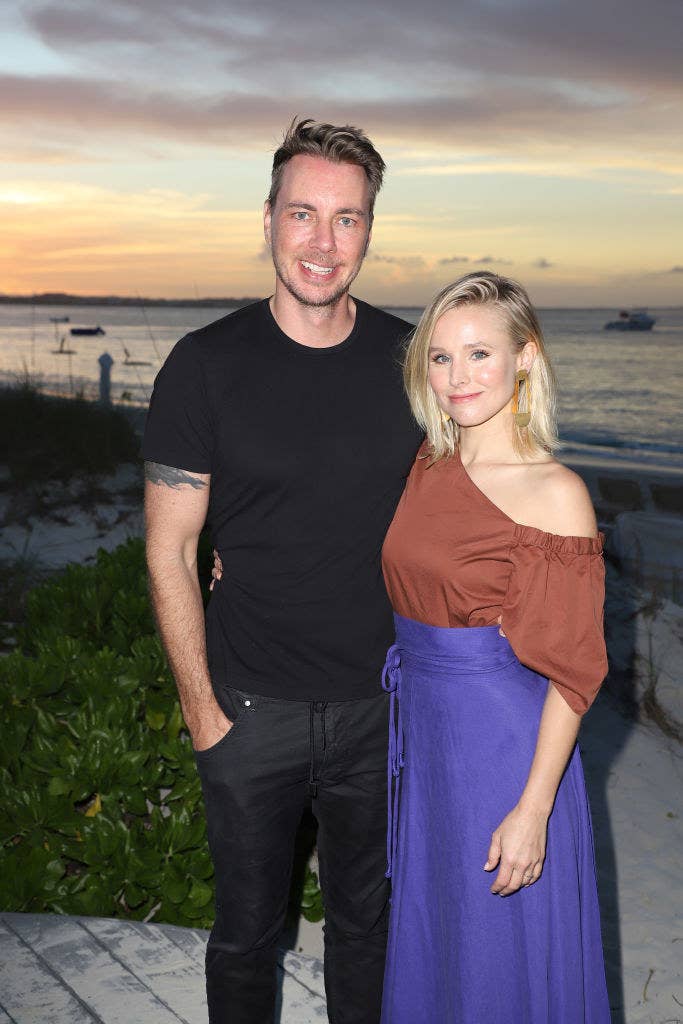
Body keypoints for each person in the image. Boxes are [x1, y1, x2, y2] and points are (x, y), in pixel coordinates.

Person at [142, 118, 422, 1024]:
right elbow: (169, 548)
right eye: (302, 213)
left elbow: (468, 510)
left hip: (379, 709)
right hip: (249, 709)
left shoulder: (413, 362)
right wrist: (201, 711)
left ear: (370, 228)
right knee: (245, 937)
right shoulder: (204, 366)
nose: (322, 241)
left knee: (368, 929)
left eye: (347, 218)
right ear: (266, 219)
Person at [378, 271, 610, 1022]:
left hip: (503, 754)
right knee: (441, 944)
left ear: (524, 358)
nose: (457, 377)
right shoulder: (427, 464)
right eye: (440, 358)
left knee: (498, 957)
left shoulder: (555, 493)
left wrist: (532, 810)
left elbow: (571, 675)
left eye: (479, 353)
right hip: (429, 744)